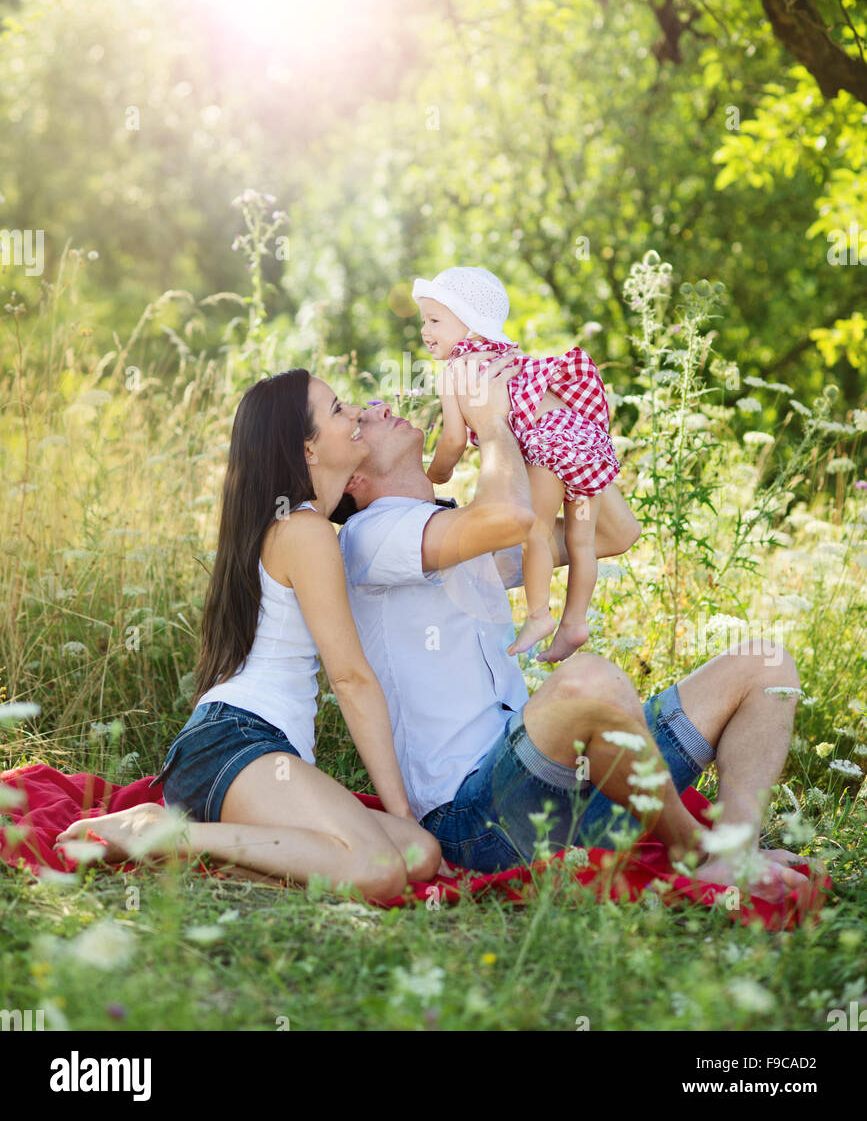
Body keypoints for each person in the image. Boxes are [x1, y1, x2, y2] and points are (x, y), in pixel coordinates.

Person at [335, 349, 815, 902]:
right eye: (358, 419)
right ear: (353, 482)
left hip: (555, 780)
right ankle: (697, 851)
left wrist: (553, 416)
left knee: (765, 665)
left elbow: (613, 532)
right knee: (590, 680)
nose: (375, 406)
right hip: (475, 821)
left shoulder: (459, 533)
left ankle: (736, 849)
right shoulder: (368, 540)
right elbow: (510, 515)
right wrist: (494, 424)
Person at [55, 369, 441, 900]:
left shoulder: (296, 526)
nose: (354, 413)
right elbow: (350, 679)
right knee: (379, 870)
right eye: (336, 409)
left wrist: (408, 829)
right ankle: (165, 832)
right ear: (306, 448)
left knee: (420, 855)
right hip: (235, 741)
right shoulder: (302, 530)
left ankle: (193, 843)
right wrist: (401, 811)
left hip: (244, 756)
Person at [413, 265, 622, 662]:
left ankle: (540, 615)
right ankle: (575, 622)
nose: (425, 330)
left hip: (547, 448)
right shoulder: (506, 356)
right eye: (424, 320)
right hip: (583, 439)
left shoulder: (456, 369)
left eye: (435, 320)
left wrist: (434, 475)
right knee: (582, 542)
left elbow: (454, 440)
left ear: (471, 324)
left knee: (535, 533)